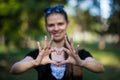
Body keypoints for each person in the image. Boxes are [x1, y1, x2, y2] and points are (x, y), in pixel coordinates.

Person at [10, 5, 104, 80]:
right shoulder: (40, 55)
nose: (56, 28)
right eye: (51, 25)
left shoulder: (77, 54)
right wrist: (34, 62)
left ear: (67, 23)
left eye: (60, 24)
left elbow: (100, 68)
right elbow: (14, 69)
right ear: (46, 26)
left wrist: (82, 63)